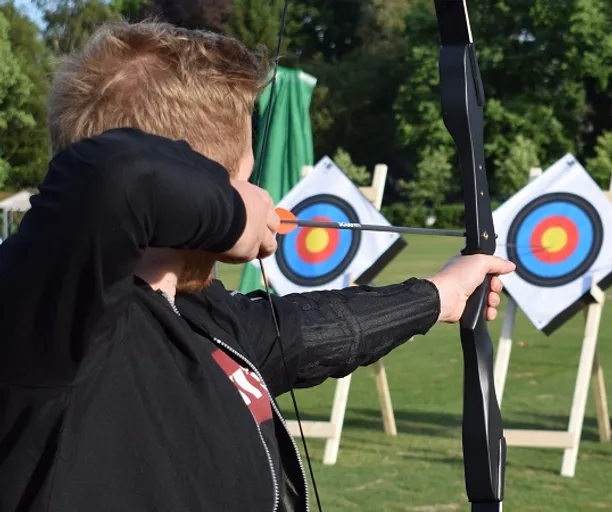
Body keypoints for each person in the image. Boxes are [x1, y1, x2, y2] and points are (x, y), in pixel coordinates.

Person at [0, 21, 514, 512]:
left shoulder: (197, 314)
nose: (258, 192)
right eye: (246, 175)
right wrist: (234, 214)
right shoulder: (52, 315)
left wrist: (438, 294)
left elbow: (300, 334)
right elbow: (116, 176)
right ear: (200, 184)